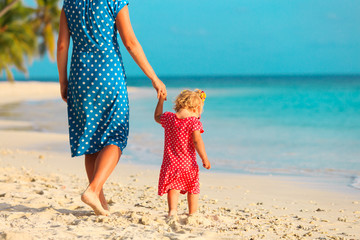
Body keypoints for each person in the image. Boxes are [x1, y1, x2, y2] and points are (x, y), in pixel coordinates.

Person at [57, 0, 167, 216]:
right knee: (116, 136)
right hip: (109, 75)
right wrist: (153, 77)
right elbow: (130, 43)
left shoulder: (69, 4)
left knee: (90, 139)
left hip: (80, 76)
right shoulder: (114, 1)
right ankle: (94, 190)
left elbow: (62, 45)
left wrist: (63, 81)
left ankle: (100, 203)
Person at [154, 89, 211, 217]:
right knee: (193, 187)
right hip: (188, 164)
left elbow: (157, 116)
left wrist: (161, 101)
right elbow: (197, 141)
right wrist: (204, 158)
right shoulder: (193, 122)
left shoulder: (169, 118)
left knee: (173, 187)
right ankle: (192, 213)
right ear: (196, 108)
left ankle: (172, 211)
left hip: (171, 163)